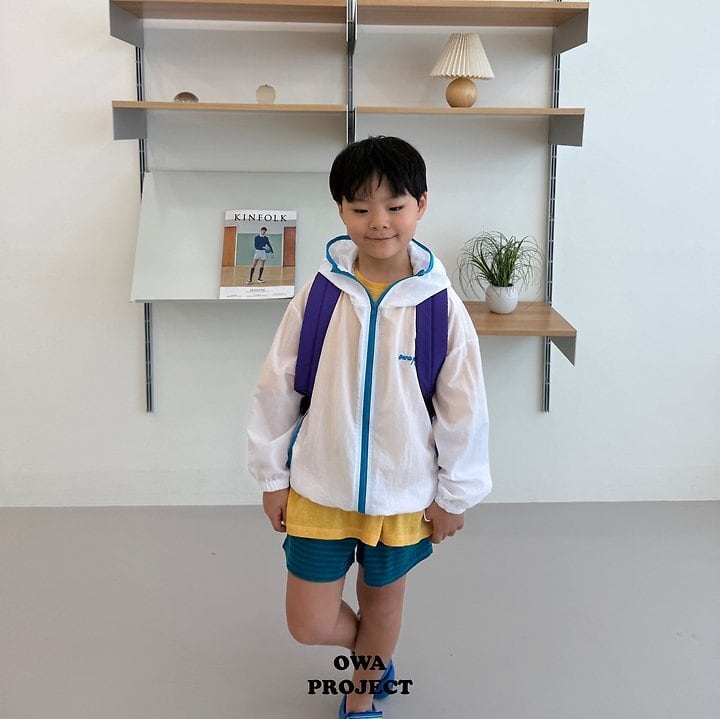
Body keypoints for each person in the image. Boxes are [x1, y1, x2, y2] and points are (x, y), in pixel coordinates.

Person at [247, 136, 491, 719]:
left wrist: (455, 494)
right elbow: (277, 387)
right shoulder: (319, 296)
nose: (379, 222)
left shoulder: (440, 306)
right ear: (341, 211)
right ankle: (375, 661)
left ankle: (360, 699)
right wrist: (272, 477)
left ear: (421, 205)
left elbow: (464, 409)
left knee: (382, 606)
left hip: (402, 494)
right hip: (319, 485)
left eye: (395, 206)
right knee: (308, 623)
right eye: (360, 208)